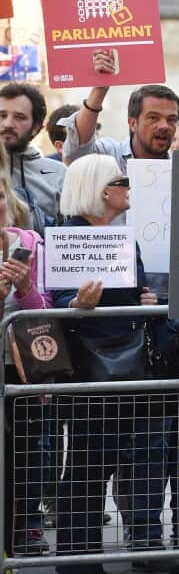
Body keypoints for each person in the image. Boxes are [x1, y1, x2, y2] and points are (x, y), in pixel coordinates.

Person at [52, 154, 176, 574]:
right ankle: (77, 558)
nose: (129, 187)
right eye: (122, 181)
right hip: (90, 371)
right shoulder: (69, 237)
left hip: (134, 364)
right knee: (89, 464)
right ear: (103, 191)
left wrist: (144, 301)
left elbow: (130, 295)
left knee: (144, 459)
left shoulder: (123, 239)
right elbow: (56, 301)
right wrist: (77, 303)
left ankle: (144, 544)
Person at [0, 165, 53, 559]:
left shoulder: (29, 244)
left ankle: (19, 531)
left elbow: (45, 312)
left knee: (22, 455)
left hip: (18, 369)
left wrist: (24, 286)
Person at [59, 50, 179, 171]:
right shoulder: (108, 155)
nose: (164, 126)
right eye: (153, 118)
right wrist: (99, 90)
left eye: (171, 119)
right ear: (133, 124)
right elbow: (76, 155)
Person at [0, 82, 66, 228]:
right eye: (2, 115)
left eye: (19, 117)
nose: (8, 123)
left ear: (36, 128)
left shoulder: (59, 174)